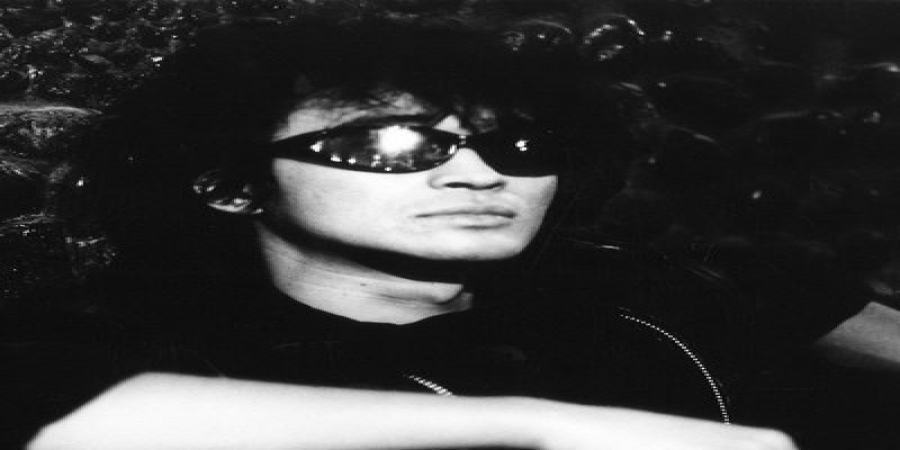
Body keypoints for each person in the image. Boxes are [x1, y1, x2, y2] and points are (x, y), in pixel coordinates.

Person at [1, 17, 796, 450]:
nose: (479, 174)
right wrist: (538, 427)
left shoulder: (643, 301)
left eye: (519, 146)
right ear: (231, 186)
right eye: (388, 144)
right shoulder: (155, 343)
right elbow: (50, 411)